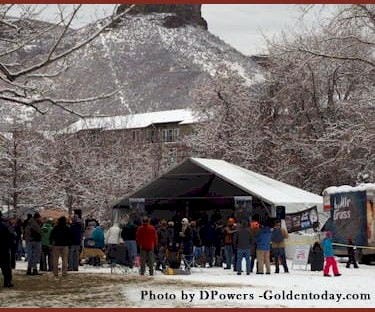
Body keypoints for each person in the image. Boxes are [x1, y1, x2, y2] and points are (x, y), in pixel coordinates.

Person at [0, 212, 13, 287]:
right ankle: (7, 282)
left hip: (3, 248)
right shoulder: (5, 226)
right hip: (3, 249)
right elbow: (11, 236)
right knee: (6, 267)